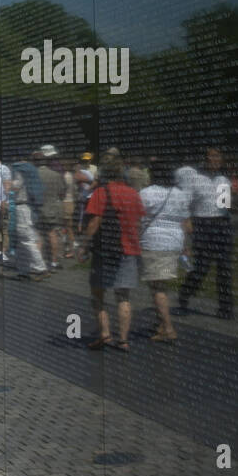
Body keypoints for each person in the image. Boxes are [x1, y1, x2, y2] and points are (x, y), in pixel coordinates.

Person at [80, 150, 144, 352]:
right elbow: (139, 221)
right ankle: (123, 340)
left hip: (104, 251)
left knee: (98, 295)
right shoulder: (133, 193)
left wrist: (83, 245)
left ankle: (105, 335)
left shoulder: (100, 193)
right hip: (129, 249)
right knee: (123, 296)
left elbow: (94, 222)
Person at [176, 146, 234, 319]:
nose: (215, 160)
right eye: (212, 157)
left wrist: (235, 198)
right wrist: (187, 223)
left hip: (222, 224)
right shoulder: (195, 179)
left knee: (225, 268)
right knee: (202, 267)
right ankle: (185, 293)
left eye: (218, 157)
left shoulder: (223, 179)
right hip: (202, 224)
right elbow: (184, 203)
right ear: (205, 159)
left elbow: (226, 205)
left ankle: (225, 308)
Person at [139, 160, 191, 341]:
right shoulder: (180, 194)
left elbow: (139, 217)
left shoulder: (146, 193)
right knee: (162, 285)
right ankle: (161, 323)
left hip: (154, 242)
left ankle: (168, 328)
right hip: (174, 242)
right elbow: (186, 223)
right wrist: (185, 246)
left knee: (157, 287)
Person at [37, 146, 65, 270]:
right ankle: (54, 261)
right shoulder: (56, 175)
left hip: (38, 209)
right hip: (51, 209)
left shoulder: (35, 174)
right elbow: (61, 193)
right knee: (52, 233)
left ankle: (38, 262)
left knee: (39, 235)